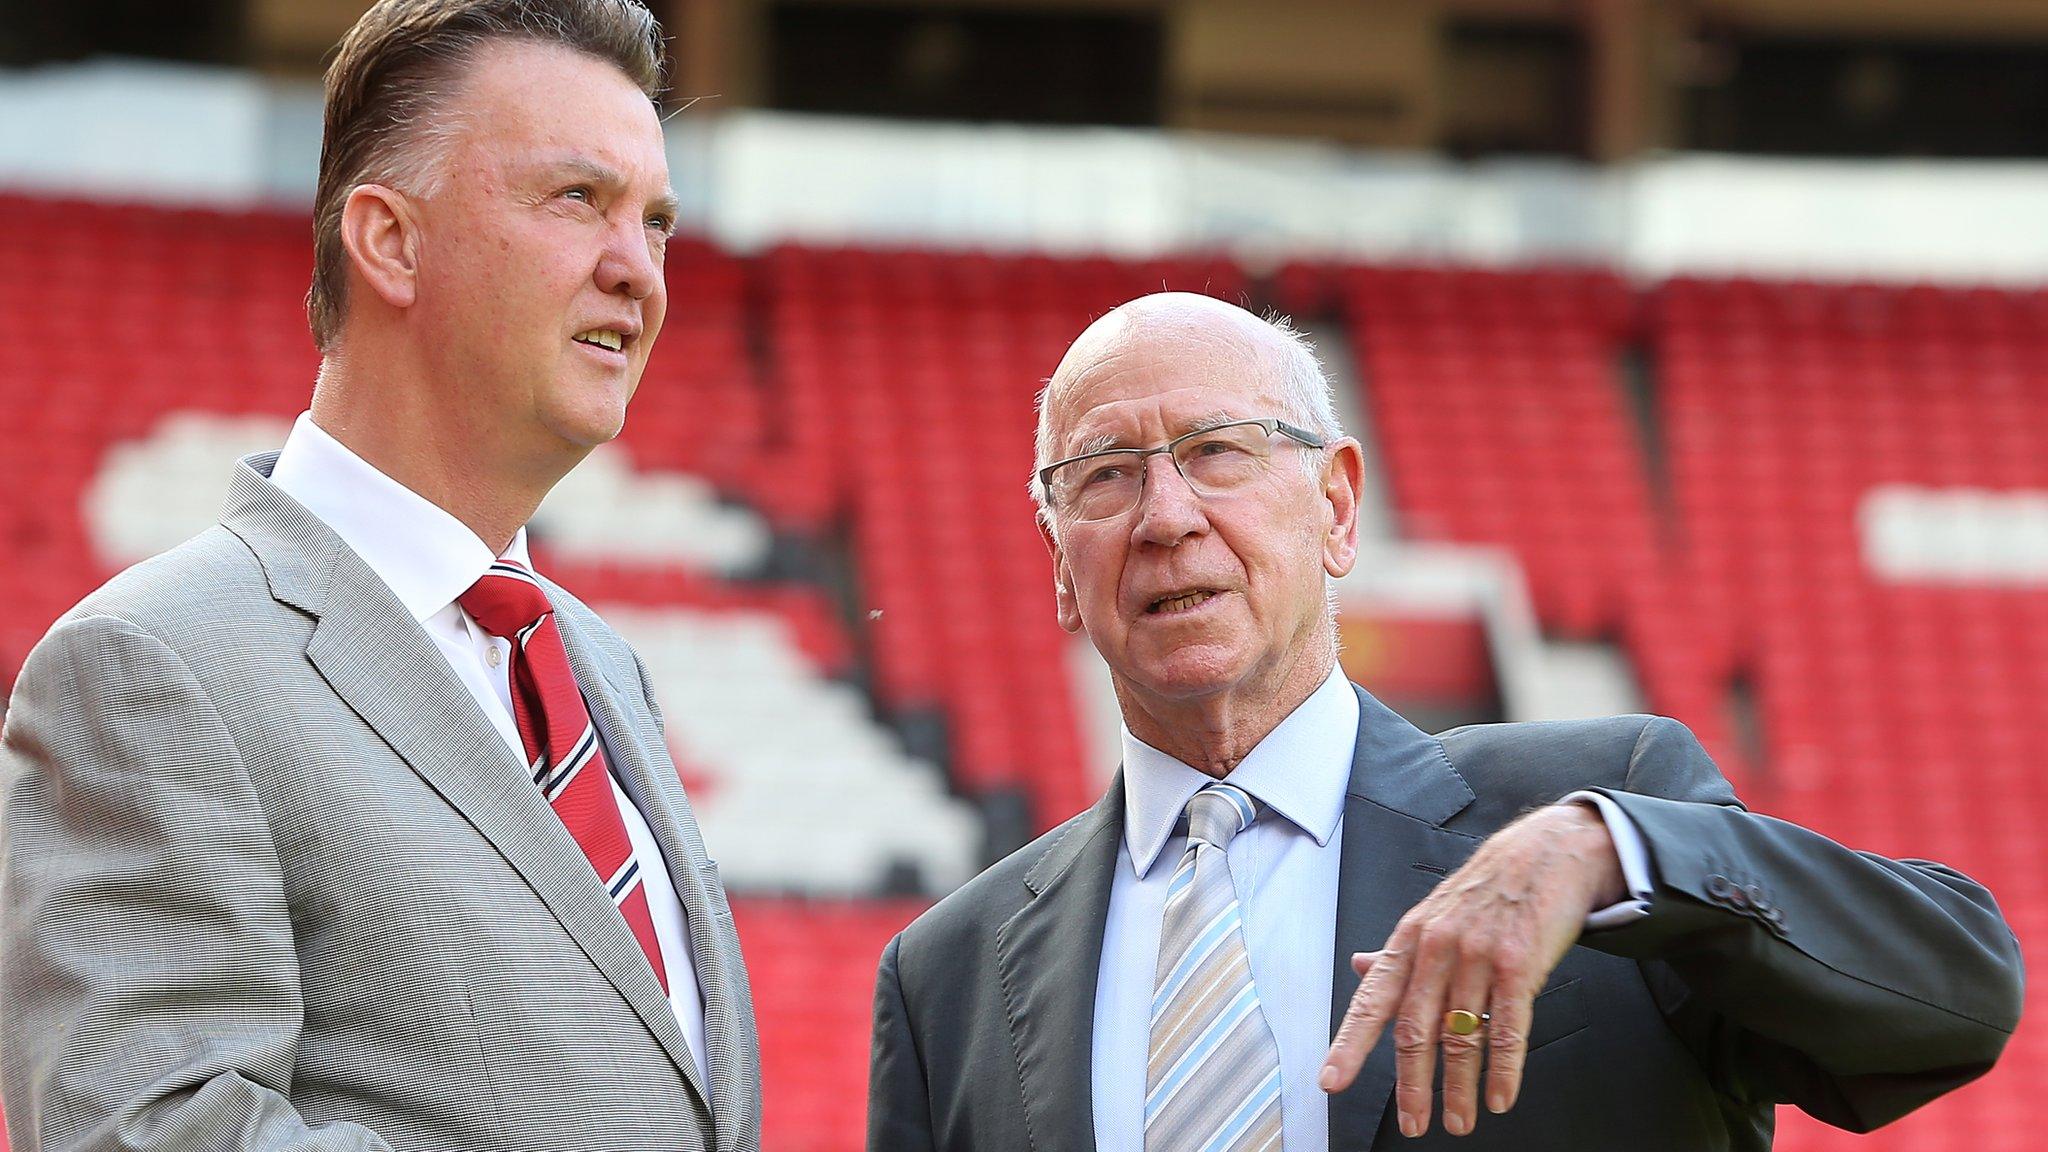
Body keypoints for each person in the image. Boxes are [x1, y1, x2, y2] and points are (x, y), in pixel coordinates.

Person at [866, 291, 2023, 1151]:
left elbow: (1953, 998)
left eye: (1214, 453)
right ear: (1059, 565)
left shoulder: (1602, 806)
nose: (1165, 516)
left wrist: (1609, 851)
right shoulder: (946, 978)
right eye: (1104, 475)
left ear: (1334, 507)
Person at [0, 2, 759, 1149]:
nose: (636, 271)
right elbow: (151, 1132)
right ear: (390, 241)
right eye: (576, 200)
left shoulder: (604, 671)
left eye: (655, 222)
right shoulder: (151, 667)